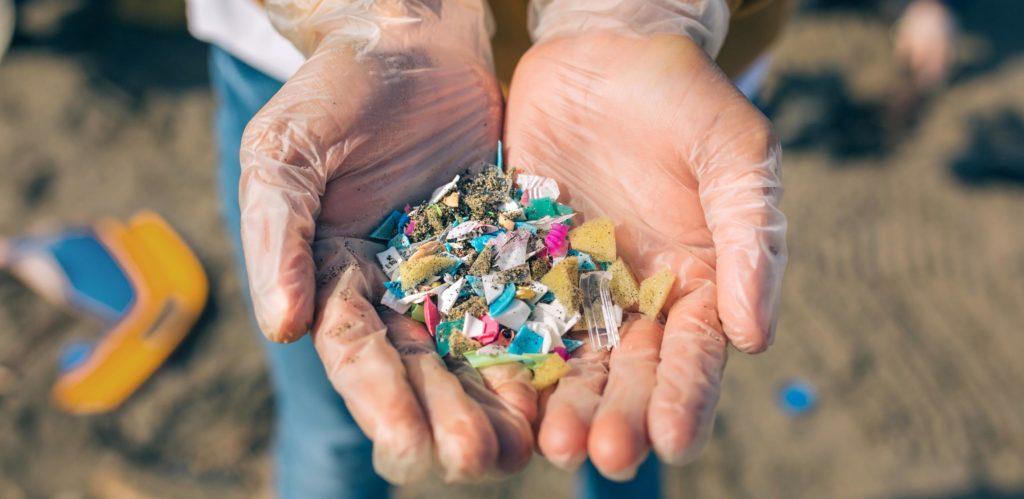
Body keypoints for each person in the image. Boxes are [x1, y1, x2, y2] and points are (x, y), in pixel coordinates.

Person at [187, 0, 791, 497]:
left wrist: (640, 13)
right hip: (337, 77)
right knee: (333, 424)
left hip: (657, 93)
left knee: (627, 425)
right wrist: (373, 15)